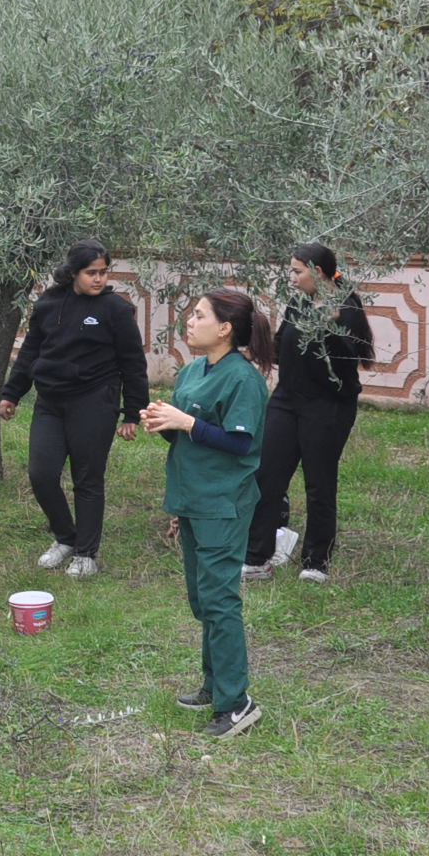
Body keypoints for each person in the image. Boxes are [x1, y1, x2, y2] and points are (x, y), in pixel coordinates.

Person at [141, 289, 274, 739]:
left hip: (223, 502)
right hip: (193, 499)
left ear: (225, 328)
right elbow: (189, 436)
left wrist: (187, 422)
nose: (190, 321)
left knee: (219, 601)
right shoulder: (194, 370)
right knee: (203, 600)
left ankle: (237, 703)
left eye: (199, 315)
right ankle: (214, 684)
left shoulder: (244, 380)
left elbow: (239, 442)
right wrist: (165, 423)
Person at [0, 240, 150, 578]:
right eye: (91, 273)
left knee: (87, 479)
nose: (99, 279)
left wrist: (132, 412)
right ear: (73, 273)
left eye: (103, 272)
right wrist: (12, 393)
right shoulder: (49, 304)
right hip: (50, 402)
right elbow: (31, 350)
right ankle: (66, 537)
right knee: (41, 473)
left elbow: (133, 363)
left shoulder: (116, 310)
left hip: (95, 402)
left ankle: (86, 554)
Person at [245, 244, 375, 584]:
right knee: (267, 475)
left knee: (319, 483)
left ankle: (316, 562)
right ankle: (257, 558)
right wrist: (252, 347)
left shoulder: (347, 310)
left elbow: (349, 361)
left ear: (317, 272)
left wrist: (330, 327)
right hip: (286, 402)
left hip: (328, 407)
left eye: (297, 271)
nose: (292, 278)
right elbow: (281, 348)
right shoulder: (299, 304)